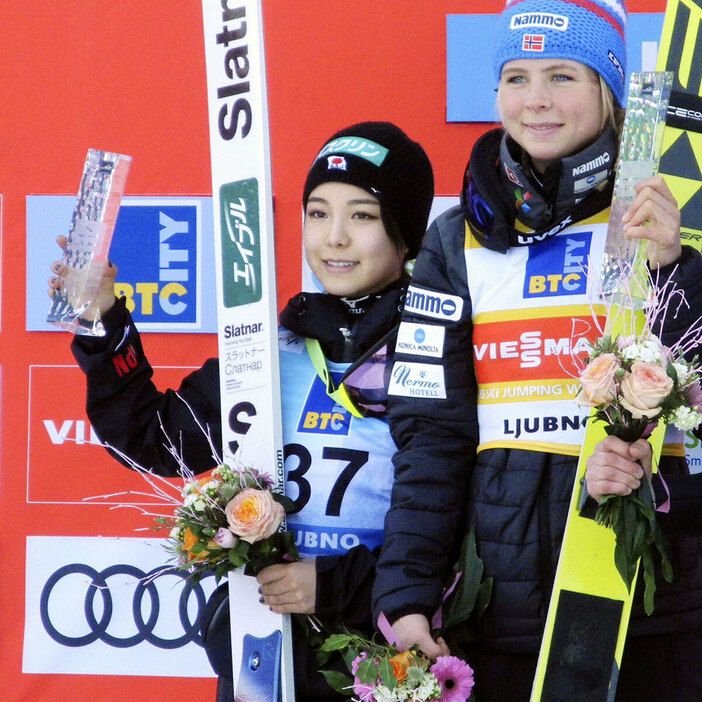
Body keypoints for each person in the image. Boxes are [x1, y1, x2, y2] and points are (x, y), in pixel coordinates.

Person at [372, 1, 702, 700]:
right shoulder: (453, 242)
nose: (537, 100)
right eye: (516, 78)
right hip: (499, 620)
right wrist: (406, 591)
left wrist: (679, 272)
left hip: (655, 612)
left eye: (562, 75)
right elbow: (430, 436)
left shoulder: (674, 221)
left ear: (608, 89)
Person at [48, 121, 434, 700]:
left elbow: (452, 516)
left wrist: (334, 587)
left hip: (387, 655)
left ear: (405, 237)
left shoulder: (439, 349)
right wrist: (105, 323)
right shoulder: (272, 348)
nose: (334, 238)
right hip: (263, 650)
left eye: (362, 215)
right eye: (317, 212)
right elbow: (155, 438)